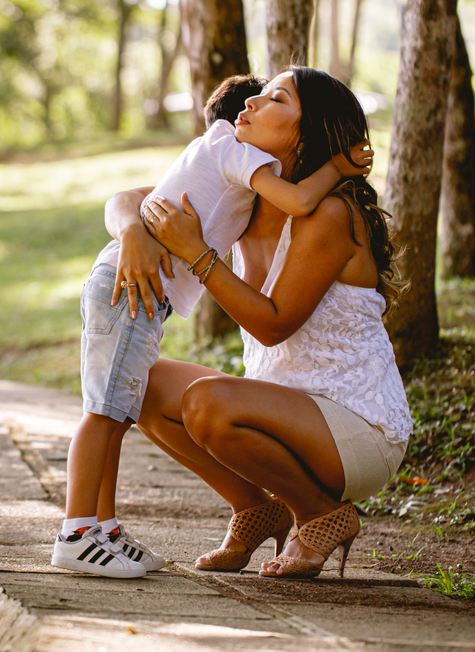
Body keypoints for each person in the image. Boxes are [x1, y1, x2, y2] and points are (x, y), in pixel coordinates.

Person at [51, 75, 374, 578]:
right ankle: (246, 509)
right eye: (257, 96)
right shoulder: (235, 182)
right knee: (133, 396)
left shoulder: (325, 211)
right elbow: (128, 198)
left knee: (182, 403)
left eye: (277, 98)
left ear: (308, 133)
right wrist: (134, 231)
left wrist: (195, 251)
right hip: (275, 402)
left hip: (347, 423)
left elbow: (273, 326)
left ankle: (318, 512)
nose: (253, 103)